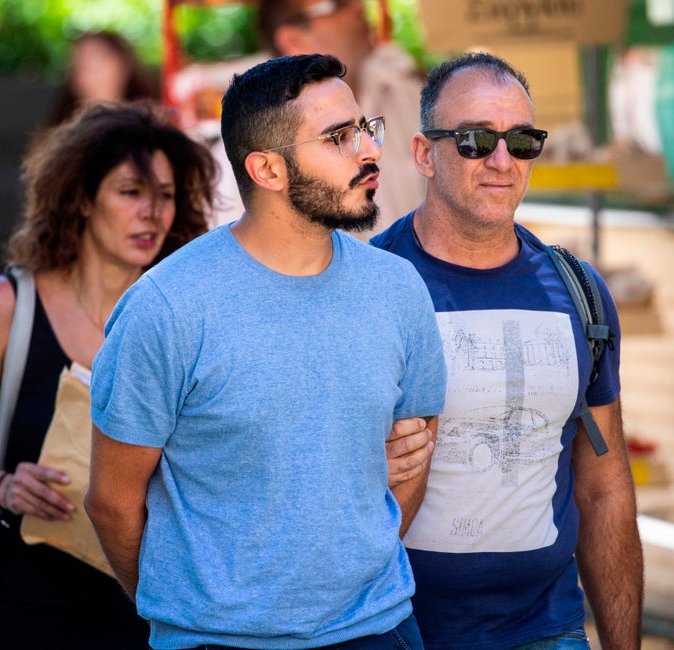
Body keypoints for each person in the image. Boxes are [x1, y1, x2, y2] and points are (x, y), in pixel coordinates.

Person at [84, 54, 447, 650]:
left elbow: (415, 458)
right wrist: (190, 613)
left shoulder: (398, 288)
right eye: (338, 137)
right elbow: (112, 503)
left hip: (377, 630)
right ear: (267, 170)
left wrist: (350, 574)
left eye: (364, 128)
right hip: (215, 641)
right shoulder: (166, 308)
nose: (368, 150)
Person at [371, 52, 643, 649]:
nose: (501, 160)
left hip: (546, 630)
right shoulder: (366, 288)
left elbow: (604, 488)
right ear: (423, 153)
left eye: (521, 139)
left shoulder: (580, 293)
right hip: (390, 630)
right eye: (474, 140)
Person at [0, 100, 216, 648]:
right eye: (130, 192)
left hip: (162, 612)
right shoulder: (7, 306)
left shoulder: (189, 314)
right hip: (26, 608)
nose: (152, 213)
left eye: (166, 196)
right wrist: (3, 485)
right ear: (79, 199)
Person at [173, 0, 424, 235]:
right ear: (292, 39)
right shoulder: (245, 145)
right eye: (337, 3)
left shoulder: (413, 96)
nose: (359, 6)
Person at [47, 31, 154, 126]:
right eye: (79, 57)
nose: (85, 63)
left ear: (123, 65)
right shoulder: (59, 130)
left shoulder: (148, 126)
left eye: (96, 56)